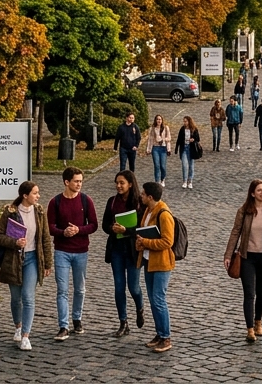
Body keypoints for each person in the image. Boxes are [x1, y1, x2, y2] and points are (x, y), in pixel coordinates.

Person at [0, 181, 52, 351]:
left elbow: (45, 239)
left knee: (28, 296)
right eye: (35, 193)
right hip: (14, 259)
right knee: (16, 298)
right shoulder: (10, 212)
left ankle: (26, 335)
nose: (38, 196)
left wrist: (47, 263)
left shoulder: (40, 212)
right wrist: (14, 242)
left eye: (38, 192)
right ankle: (18, 326)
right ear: (25, 196)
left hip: (33, 258)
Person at [225, 179, 262, 343]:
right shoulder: (244, 211)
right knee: (249, 293)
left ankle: (258, 322)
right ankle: (249, 329)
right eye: (259, 190)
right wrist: (228, 255)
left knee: (261, 291)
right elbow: (235, 232)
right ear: (252, 193)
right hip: (247, 257)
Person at [48, 167, 98, 341]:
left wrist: (79, 230)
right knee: (62, 290)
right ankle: (63, 326)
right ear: (66, 182)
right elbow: (51, 227)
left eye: (80, 181)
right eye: (76, 181)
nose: (79, 184)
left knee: (80, 288)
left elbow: (93, 225)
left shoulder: (86, 201)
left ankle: (77, 318)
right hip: (61, 251)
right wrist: (63, 232)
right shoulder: (55, 202)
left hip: (81, 251)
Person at [135, 181, 176, 353]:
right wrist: (140, 243)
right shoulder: (148, 210)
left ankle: (166, 337)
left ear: (150, 197)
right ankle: (159, 334)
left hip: (161, 263)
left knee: (159, 299)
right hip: (148, 261)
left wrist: (145, 242)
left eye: (143, 194)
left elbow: (168, 241)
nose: (141, 196)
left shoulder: (164, 214)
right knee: (153, 300)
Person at [105, 171, 145, 337]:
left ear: (130, 184)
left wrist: (126, 230)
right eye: (117, 183)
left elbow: (143, 228)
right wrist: (112, 228)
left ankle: (140, 307)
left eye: (122, 183)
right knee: (119, 287)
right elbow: (105, 224)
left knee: (133, 287)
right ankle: (123, 322)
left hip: (133, 250)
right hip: (117, 249)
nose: (118, 186)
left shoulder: (139, 203)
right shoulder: (112, 201)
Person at [176, 116, 202, 189]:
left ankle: (190, 181)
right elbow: (179, 139)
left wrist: (193, 139)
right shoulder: (182, 129)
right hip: (184, 148)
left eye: (186, 121)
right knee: (184, 165)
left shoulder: (194, 129)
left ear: (189, 121)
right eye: (184, 121)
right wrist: (176, 148)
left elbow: (198, 138)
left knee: (191, 166)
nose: (184, 123)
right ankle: (184, 181)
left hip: (191, 148)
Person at [147, 114, 171, 184]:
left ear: (162, 120)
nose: (159, 121)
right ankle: (157, 181)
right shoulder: (153, 129)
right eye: (157, 119)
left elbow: (169, 138)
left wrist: (163, 139)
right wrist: (149, 149)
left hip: (163, 148)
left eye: (160, 119)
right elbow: (150, 139)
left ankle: (162, 179)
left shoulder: (166, 128)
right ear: (155, 120)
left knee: (162, 166)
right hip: (155, 148)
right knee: (157, 165)